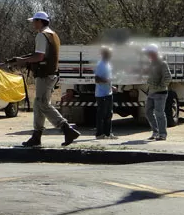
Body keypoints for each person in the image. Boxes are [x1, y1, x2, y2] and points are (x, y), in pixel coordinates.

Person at [9, 11, 80, 147]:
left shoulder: (42, 36)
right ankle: (37, 136)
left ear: (40, 22)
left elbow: (39, 57)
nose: (33, 24)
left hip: (44, 74)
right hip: (50, 74)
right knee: (38, 104)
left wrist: (22, 60)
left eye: (34, 21)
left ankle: (66, 128)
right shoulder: (53, 35)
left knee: (42, 104)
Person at [144, 44, 172, 141]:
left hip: (160, 93)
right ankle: (155, 131)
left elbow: (168, 77)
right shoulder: (151, 63)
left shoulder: (162, 63)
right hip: (151, 92)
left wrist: (160, 86)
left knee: (159, 113)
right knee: (148, 112)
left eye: (148, 53)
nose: (147, 55)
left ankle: (162, 134)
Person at [95, 46, 116, 139]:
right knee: (101, 115)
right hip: (101, 94)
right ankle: (99, 134)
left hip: (108, 92)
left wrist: (111, 86)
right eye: (108, 53)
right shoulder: (100, 65)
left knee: (109, 114)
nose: (110, 55)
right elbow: (97, 79)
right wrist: (107, 81)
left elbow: (108, 79)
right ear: (104, 54)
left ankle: (108, 133)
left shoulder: (108, 64)